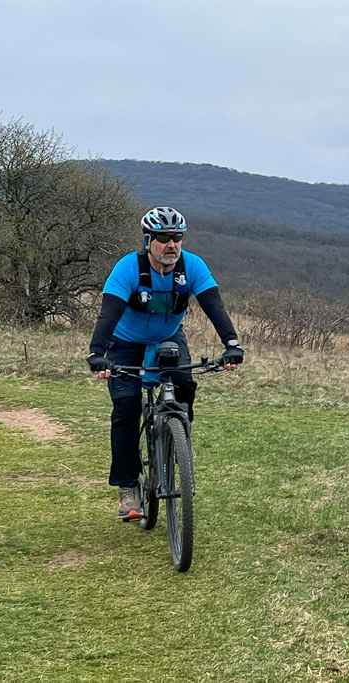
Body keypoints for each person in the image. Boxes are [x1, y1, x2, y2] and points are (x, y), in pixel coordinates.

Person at [86, 206, 244, 520]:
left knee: (185, 382)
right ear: (148, 240)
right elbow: (108, 313)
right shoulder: (129, 268)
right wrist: (97, 353)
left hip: (168, 338)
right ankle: (129, 487)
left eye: (177, 238)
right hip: (124, 344)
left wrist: (232, 345)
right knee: (126, 409)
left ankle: (178, 438)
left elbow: (214, 306)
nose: (171, 245)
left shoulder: (192, 266)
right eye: (163, 238)